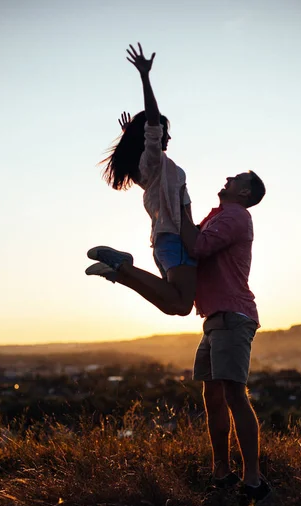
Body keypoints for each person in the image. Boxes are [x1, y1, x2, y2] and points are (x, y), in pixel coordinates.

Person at [179, 171, 272, 506]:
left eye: (236, 178)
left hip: (233, 316)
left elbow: (197, 246)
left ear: (245, 192)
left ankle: (253, 481)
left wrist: (182, 207)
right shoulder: (221, 215)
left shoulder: (236, 215)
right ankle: (221, 473)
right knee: (212, 395)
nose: (228, 178)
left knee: (234, 393)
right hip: (215, 318)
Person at [85, 43, 197, 317]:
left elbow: (150, 133)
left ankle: (120, 273)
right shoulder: (155, 164)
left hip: (163, 242)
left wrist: (128, 133)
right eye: (164, 132)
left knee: (175, 305)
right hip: (175, 240)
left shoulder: (145, 169)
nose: (167, 137)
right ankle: (123, 267)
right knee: (181, 305)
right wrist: (145, 78)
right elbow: (153, 126)